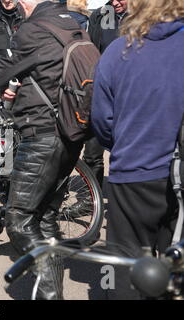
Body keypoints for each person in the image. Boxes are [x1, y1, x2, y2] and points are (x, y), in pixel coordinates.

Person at [0, 0, 84, 300]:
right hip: (70, 131)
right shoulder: (73, 25)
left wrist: (2, 79)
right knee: (45, 216)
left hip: (41, 134)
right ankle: (52, 285)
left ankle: (51, 295)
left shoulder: (31, 30)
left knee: (19, 219)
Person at [91, 0, 184, 300]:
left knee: (126, 268)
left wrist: (126, 143)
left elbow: (103, 122)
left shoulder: (117, 53)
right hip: (176, 173)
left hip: (131, 172)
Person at [78, 0, 128, 189]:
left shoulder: (145, 15)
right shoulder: (101, 14)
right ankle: (91, 198)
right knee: (92, 151)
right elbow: (92, 52)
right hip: (104, 90)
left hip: (131, 92)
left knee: (127, 148)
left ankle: (125, 195)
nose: (115, 3)